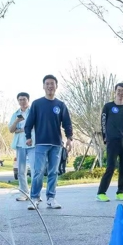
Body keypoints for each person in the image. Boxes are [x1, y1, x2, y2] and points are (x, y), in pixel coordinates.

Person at [24, 75, 73, 210]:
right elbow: (29, 123)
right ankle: (34, 198)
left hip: (56, 144)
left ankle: (51, 198)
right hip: (41, 143)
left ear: (56, 86)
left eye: (52, 84)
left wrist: (69, 138)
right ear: (43, 86)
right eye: (47, 84)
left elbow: (67, 123)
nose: (50, 86)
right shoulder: (37, 104)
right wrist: (28, 137)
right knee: (38, 171)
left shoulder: (60, 105)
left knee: (53, 172)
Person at [96, 83, 123, 203]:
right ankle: (101, 193)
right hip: (112, 141)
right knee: (111, 167)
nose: (120, 93)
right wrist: (105, 137)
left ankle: (121, 192)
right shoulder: (108, 106)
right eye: (119, 90)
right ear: (115, 92)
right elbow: (103, 122)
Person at [9, 92, 33, 200]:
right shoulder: (16, 114)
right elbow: (11, 129)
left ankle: (35, 194)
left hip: (32, 143)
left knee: (35, 169)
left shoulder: (33, 111)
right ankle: (24, 193)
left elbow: (35, 127)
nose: (22, 101)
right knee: (21, 170)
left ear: (28, 100)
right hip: (20, 144)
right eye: (20, 100)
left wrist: (20, 130)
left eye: (24, 99)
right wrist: (17, 121)